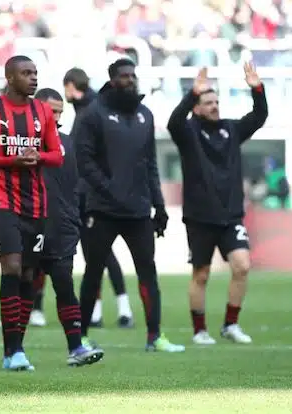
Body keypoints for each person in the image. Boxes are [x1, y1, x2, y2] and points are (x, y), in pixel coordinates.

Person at [74, 58, 184, 353]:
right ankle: (80, 337)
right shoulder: (93, 113)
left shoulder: (145, 115)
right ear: (112, 80)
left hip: (139, 210)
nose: (130, 80)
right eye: (124, 76)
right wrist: (109, 189)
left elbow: (150, 164)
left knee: (148, 271)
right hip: (102, 209)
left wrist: (159, 205)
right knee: (94, 272)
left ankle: (155, 337)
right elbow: (84, 160)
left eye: (133, 75)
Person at [0, 55, 63, 371]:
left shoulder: (42, 111)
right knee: (12, 266)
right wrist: (10, 162)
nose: (33, 78)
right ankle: (14, 350)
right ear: (9, 77)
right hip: (1, 200)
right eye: (26, 73)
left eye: (35, 73)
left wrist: (38, 157)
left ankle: (15, 349)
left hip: (36, 203)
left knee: (29, 274)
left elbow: (57, 155)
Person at [166, 64, 268, 345]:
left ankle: (230, 325)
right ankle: (199, 330)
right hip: (200, 217)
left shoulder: (231, 129)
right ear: (196, 108)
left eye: (216, 102)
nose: (214, 107)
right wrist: (191, 93)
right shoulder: (188, 132)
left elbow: (259, 116)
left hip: (231, 215)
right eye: (208, 102)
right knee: (201, 274)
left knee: (242, 266)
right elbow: (173, 122)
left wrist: (257, 89)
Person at [31, 87, 104, 366]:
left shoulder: (67, 142)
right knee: (22, 286)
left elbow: (75, 185)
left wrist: (73, 217)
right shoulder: (22, 141)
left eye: (60, 112)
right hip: (28, 224)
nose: (57, 117)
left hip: (61, 227)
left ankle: (76, 347)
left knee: (64, 285)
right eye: (52, 111)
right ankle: (13, 351)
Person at [60, 67, 134, 329]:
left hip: (91, 194)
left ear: (71, 86)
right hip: (94, 191)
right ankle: (114, 309)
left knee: (97, 253)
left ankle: (106, 311)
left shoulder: (89, 112)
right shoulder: (91, 108)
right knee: (99, 253)